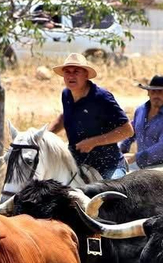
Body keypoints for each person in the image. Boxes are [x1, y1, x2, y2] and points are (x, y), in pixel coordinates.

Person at [49, 52, 132, 181]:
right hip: (76, 163)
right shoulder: (66, 94)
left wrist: (93, 142)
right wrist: (46, 134)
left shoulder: (102, 97)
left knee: (112, 196)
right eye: (68, 72)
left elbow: (127, 131)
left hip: (108, 165)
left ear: (86, 75)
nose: (71, 76)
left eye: (76, 72)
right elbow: (65, 116)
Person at [121, 75, 163, 169]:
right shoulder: (140, 110)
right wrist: (120, 150)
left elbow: (162, 148)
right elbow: (130, 132)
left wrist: (135, 157)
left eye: (160, 92)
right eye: (153, 91)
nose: (156, 95)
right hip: (142, 165)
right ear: (148, 93)